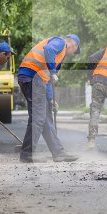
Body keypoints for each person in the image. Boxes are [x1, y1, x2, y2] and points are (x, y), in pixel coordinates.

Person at [17, 35, 81, 163]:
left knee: (46, 118)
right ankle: (27, 154)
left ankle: (58, 153)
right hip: (31, 77)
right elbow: (49, 50)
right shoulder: (61, 42)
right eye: (75, 51)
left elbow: (47, 81)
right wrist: (52, 72)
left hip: (36, 80)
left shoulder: (59, 57)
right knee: (39, 117)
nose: (72, 54)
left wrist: (51, 100)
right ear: (73, 45)